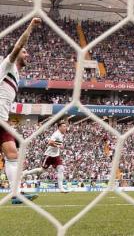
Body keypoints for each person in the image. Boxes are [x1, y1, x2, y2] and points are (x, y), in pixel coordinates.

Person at [0, 17, 41, 204]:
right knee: (12, 155)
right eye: (25, 52)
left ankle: (15, 195)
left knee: (12, 155)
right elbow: (17, 47)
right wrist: (31, 27)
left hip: (2, 120)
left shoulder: (16, 75)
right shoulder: (6, 66)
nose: (27, 55)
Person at [23, 120, 69, 193]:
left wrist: (57, 145)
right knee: (42, 170)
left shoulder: (61, 134)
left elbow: (50, 141)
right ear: (59, 127)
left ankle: (61, 188)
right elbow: (50, 142)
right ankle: (25, 173)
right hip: (49, 155)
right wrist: (58, 145)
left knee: (61, 169)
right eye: (64, 126)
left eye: (66, 126)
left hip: (56, 155)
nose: (66, 128)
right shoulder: (56, 134)